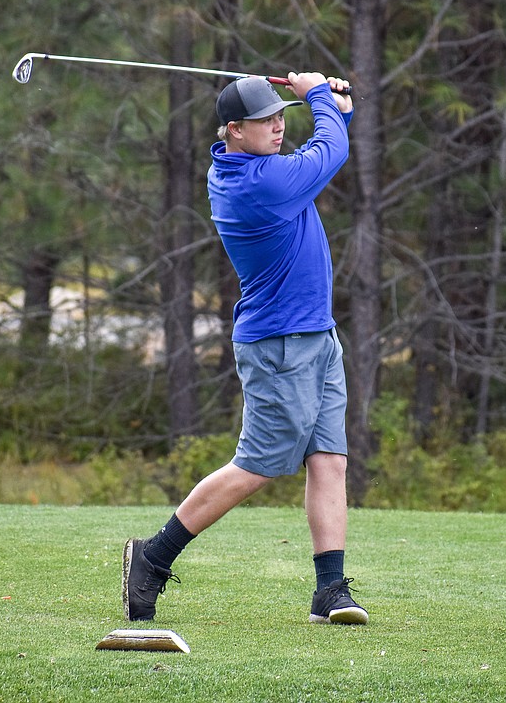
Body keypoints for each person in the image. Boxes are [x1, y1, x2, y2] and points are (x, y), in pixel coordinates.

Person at [122, 70, 367, 626]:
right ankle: (153, 557)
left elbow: (324, 149)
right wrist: (321, 98)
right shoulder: (257, 185)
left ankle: (330, 591)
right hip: (279, 346)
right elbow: (328, 152)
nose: (279, 127)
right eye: (265, 121)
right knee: (258, 466)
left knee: (329, 460)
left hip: (317, 336)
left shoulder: (259, 169)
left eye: (282, 116)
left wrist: (335, 111)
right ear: (234, 130)